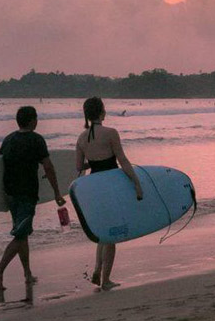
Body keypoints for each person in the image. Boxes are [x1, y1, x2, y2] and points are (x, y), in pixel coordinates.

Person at [0, 106, 66, 296]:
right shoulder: (36, 140)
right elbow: (48, 167)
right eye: (36, 118)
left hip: (10, 194)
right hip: (26, 194)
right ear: (32, 121)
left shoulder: (8, 139)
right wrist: (57, 192)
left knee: (23, 234)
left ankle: (27, 273)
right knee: (20, 235)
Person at [75, 97, 142, 291]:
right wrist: (136, 183)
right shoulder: (111, 133)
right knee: (112, 234)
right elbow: (122, 160)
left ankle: (97, 269)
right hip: (111, 185)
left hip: (94, 186)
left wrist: (94, 162)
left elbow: (79, 167)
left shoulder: (81, 138)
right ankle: (106, 281)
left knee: (103, 231)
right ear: (102, 112)